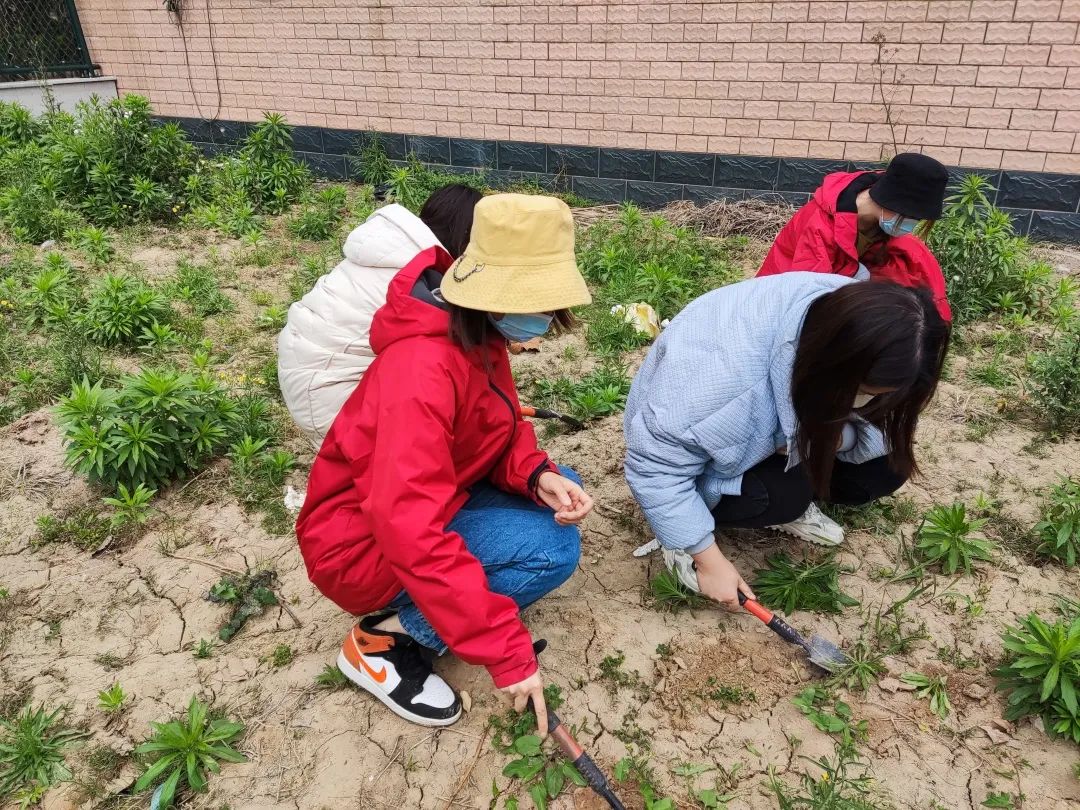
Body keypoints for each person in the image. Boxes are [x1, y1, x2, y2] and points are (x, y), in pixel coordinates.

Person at [296, 194, 595, 732]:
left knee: (560, 492)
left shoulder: (474, 331)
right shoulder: (422, 369)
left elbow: (492, 431)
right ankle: (385, 642)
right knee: (551, 549)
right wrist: (507, 654)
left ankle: (446, 612)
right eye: (543, 303)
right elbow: (409, 527)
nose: (547, 321)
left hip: (430, 498)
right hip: (359, 547)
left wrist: (535, 473)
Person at [624, 273, 948, 609]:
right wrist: (707, 558)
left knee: (884, 468)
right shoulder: (713, 398)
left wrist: (836, 439)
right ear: (835, 369)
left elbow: (876, 421)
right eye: (866, 393)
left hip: (774, 411)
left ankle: (787, 470)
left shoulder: (845, 307)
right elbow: (653, 469)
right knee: (783, 496)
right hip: (699, 445)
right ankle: (678, 543)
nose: (870, 401)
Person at [278, 184, 483, 449]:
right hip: (331, 395)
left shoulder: (391, 247)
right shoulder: (415, 278)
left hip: (306, 369)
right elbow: (452, 340)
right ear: (467, 235)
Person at [758, 152, 952, 322]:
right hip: (780, 298)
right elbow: (808, 298)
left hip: (837, 286)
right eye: (914, 218)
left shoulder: (889, 226)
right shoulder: (820, 226)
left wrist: (933, 329)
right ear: (895, 203)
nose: (913, 226)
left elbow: (925, 277)